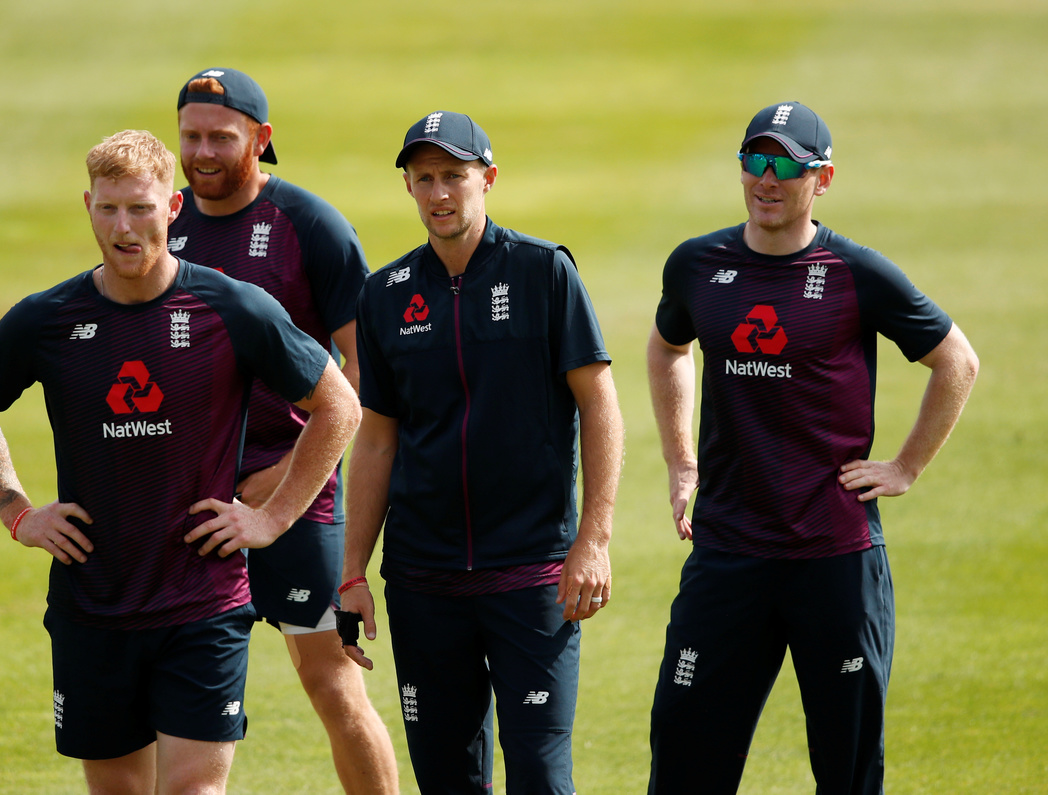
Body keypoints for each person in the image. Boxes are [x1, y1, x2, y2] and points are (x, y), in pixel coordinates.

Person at [0, 129, 361, 795]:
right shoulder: (47, 319)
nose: (123, 227)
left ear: (171, 208)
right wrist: (16, 511)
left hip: (203, 603)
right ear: (88, 206)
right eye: (109, 208)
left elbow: (338, 405)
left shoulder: (232, 308)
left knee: (193, 789)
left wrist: (274, 517)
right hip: (93, 603)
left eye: (140, 208)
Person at [645, 101, 979, 794]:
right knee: (683, 752)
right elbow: (668, 346)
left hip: (834, 556)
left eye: (787, 166)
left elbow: (956, 361)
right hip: (729, 549)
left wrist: (906, 467)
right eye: (755, 160)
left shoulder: (857, 272)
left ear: (821, 179)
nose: (767, 179)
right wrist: (681, 459)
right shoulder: (698, 264)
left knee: (847, 768)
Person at [341, 110, 625, 795]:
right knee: (447, 781)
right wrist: (352, 571)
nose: (439, 193)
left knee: (540, 775)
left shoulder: (543, 271)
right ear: (409, 186)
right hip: (423, 581)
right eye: (424, 178)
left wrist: (593, 539)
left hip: (531, 574)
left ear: (488, 178)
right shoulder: (385, 294)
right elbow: (376, 439)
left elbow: (600, 404)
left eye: (454, 176)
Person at [167, 67, 399, 794]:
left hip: (296, 493)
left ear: (261, 138)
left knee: (332, 683)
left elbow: (365, 368)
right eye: (191, 137)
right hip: (190, 499)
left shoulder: (311, 225)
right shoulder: (162, 222)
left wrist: (287, 474)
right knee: (171, 690)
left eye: (221, 137)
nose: (203, 152)